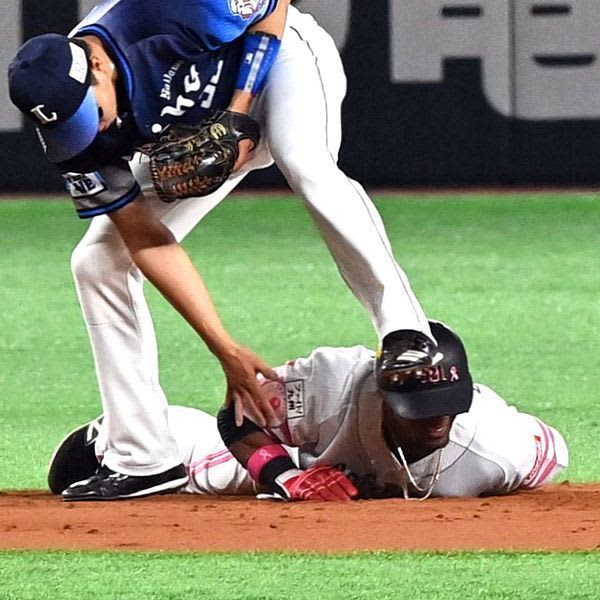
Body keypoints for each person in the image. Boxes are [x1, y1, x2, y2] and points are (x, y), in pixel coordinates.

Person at [9, 1, 437, 500]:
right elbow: (148, 241)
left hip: (281, 65)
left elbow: (272, 8)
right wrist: (224, 348)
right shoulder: (72, 139)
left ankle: (406, 330)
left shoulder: (158, 13)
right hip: (204, 131)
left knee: (306, 163)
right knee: (98, 262)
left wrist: (239, 108)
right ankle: (143, 456)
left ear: (98, 65)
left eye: (92, 114)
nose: (92, 130)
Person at [48, 321, 568, 500]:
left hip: (484, 440)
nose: (438, 419)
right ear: (383, 393)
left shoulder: (497, 448)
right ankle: (131, 433)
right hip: (298, 455)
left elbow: (551, 449)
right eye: (420, 407)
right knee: (73, 474)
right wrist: (283, 477)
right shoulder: (333, 382)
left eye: (447, 405)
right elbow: (237, 416)